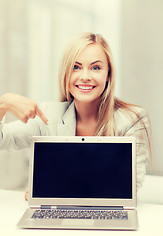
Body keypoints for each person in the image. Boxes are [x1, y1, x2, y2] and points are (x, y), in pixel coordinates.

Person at [0, 32, 152, 200]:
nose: (85, 77)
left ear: (108, 74)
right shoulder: (47, 116)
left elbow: (129, 188)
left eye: (95, 68)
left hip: (108, 218)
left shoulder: (132, 120)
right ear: (66, 73)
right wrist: (3, 104)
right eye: (76, 67)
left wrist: (52, 188)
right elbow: (2, 139)